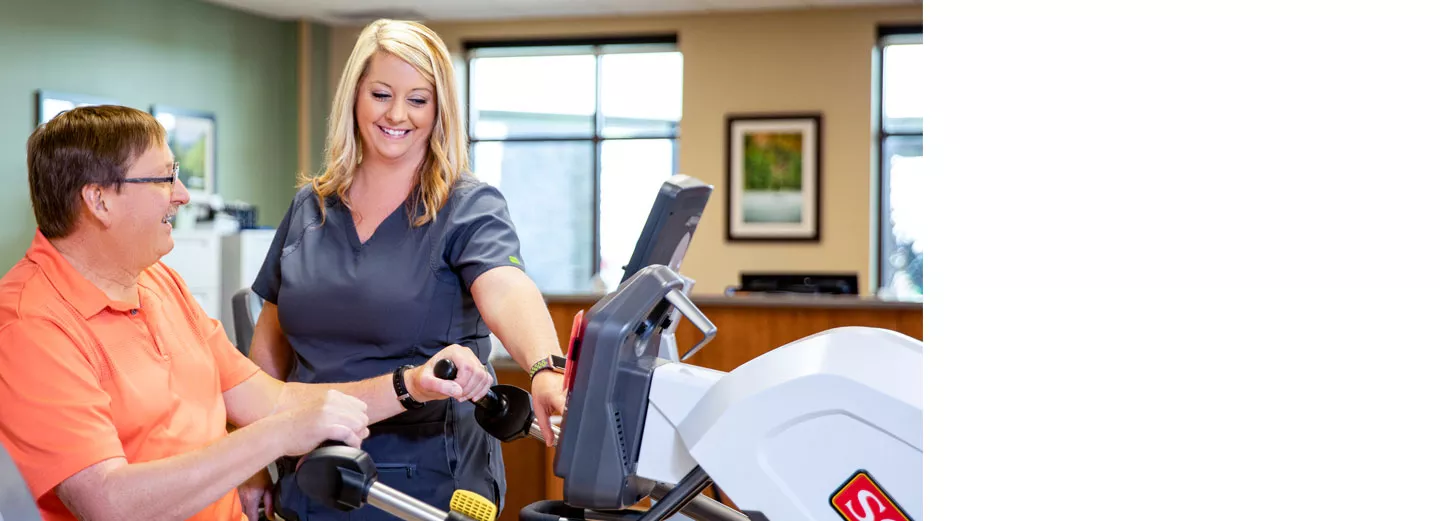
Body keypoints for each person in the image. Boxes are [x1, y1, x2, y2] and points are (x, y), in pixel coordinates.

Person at [0, 104, 495, 521]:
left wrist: (411, 385)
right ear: (99, 199)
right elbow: (107, 501)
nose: (183, 194)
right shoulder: (30, 326)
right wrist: (273, 438)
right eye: (165, 178)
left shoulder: (155, 281)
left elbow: (273, 401)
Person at [248, 19, 570, 520]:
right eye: (381, 94)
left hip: (426, 479)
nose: (397, 114)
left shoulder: (466, 205)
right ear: (355, 95)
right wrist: (251, 458)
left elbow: (505, 287)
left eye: (418, 99)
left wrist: (546, 369)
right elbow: (271, 336)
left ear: (439, 109)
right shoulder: (310, 208)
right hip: (311, 468)